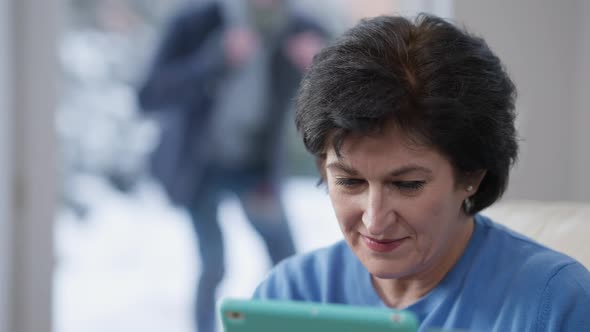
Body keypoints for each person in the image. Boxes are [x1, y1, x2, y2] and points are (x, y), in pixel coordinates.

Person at [252, 14, 590, 331]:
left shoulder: (555, 301)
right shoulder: (289, 294)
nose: (375, 220)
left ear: (472, 175)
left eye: (407, 184)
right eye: (350, 181)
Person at [137, 1, 326, 331]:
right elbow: (149, 96)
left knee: (287, 262)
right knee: (213, 265)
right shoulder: (196, 22)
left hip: (255, 169)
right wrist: (215, 59)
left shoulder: (302, 28)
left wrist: (322, 68)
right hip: (199, 168)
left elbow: (351, 96)